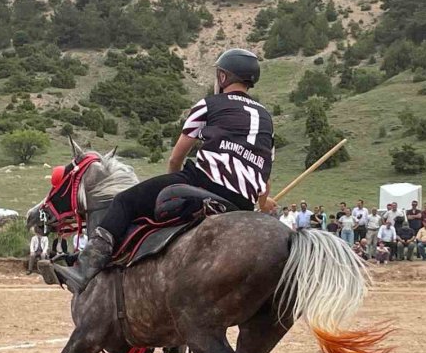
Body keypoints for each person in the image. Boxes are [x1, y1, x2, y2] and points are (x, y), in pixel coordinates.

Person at [55, 48, 275, 297]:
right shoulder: (266, 119)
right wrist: (263, 202)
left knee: (125, 201)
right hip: (242, 202)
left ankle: (84, 268)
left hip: (204, 184)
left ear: (223, 77)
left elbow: (176, 157)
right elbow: (264, 177)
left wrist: (174, 185)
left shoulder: (209, 104)